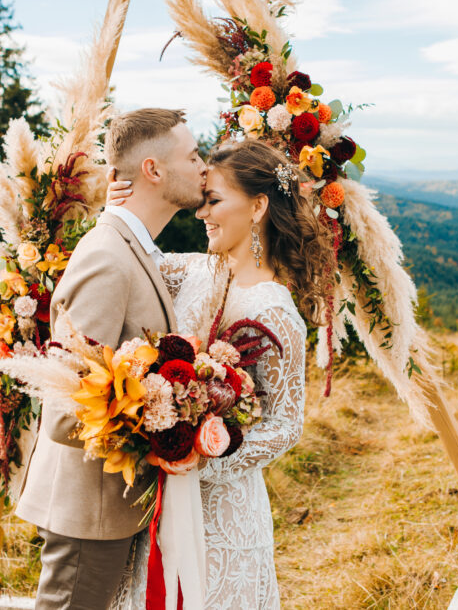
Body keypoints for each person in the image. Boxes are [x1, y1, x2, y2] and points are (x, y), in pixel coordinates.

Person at [107, 139, 335, 609]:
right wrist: (114, 212)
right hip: (159, 502)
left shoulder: (275, 311)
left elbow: (285, 425)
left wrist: (208, 454)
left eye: (213, 202)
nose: (201, 214)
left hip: (223, 515)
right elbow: (126, 261)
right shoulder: (192, 271)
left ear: (257, 207)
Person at [15, 107, 207, 610]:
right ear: (153, 170)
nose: (203, 166)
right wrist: (161, 421)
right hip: (88, 513)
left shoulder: (134, 248)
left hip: (112, 509)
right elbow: (64, 411)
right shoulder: (108, 257)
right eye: (192, 156)